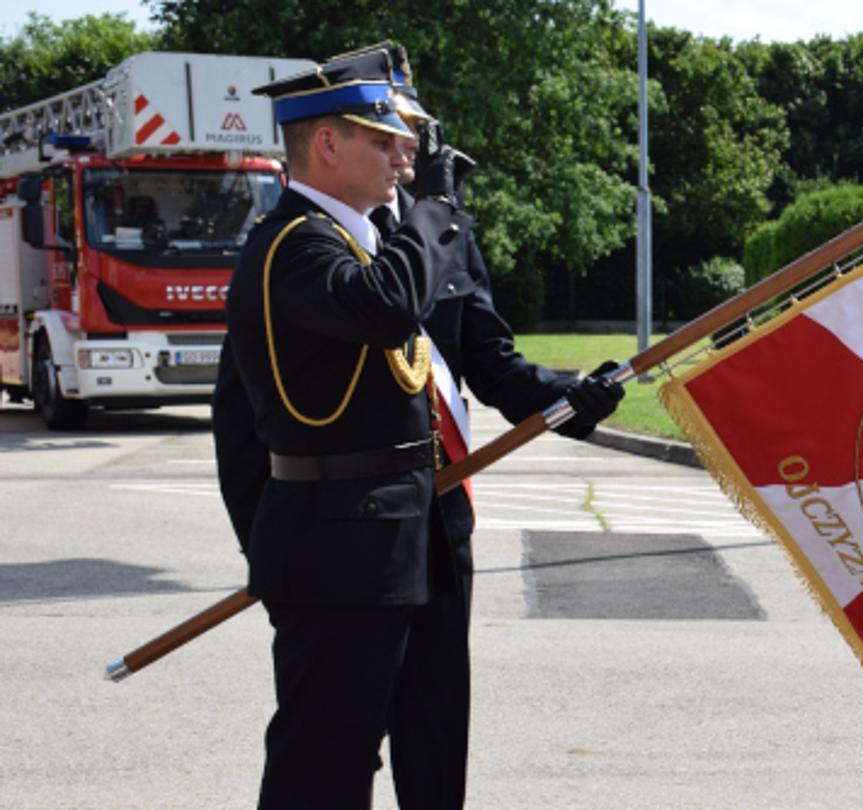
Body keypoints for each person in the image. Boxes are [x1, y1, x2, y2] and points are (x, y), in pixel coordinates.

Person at [211, 47, 619, 809]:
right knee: (328, 756)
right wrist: (271, 553)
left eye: (413, 139)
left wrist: (568, 403)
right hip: (337, 539)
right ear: (329, 143)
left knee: (435, 735)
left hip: (432, 522)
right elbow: (240, 423)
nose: (411, 154)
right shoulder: (300, 249)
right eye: (390, 136)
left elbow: (490, 363)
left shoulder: (423, 241)